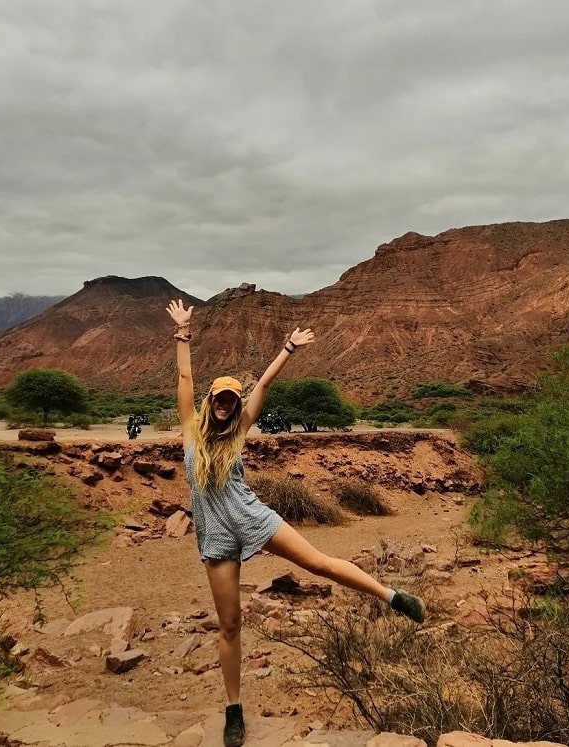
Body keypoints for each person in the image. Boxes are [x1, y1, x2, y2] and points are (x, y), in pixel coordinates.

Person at [166, 299, 425, 747]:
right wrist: (183, 333)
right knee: (230, 625)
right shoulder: (191, 431)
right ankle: (234, 710)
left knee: (319, 563)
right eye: (220, 398)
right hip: (216, 537)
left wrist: (288, 348)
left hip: (252, 518)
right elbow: (185, 379)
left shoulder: (240, 430)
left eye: (232, 399)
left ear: (236, 404)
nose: (225, 404)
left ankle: (393, 596)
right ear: (210, 401)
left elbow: (264, 383)